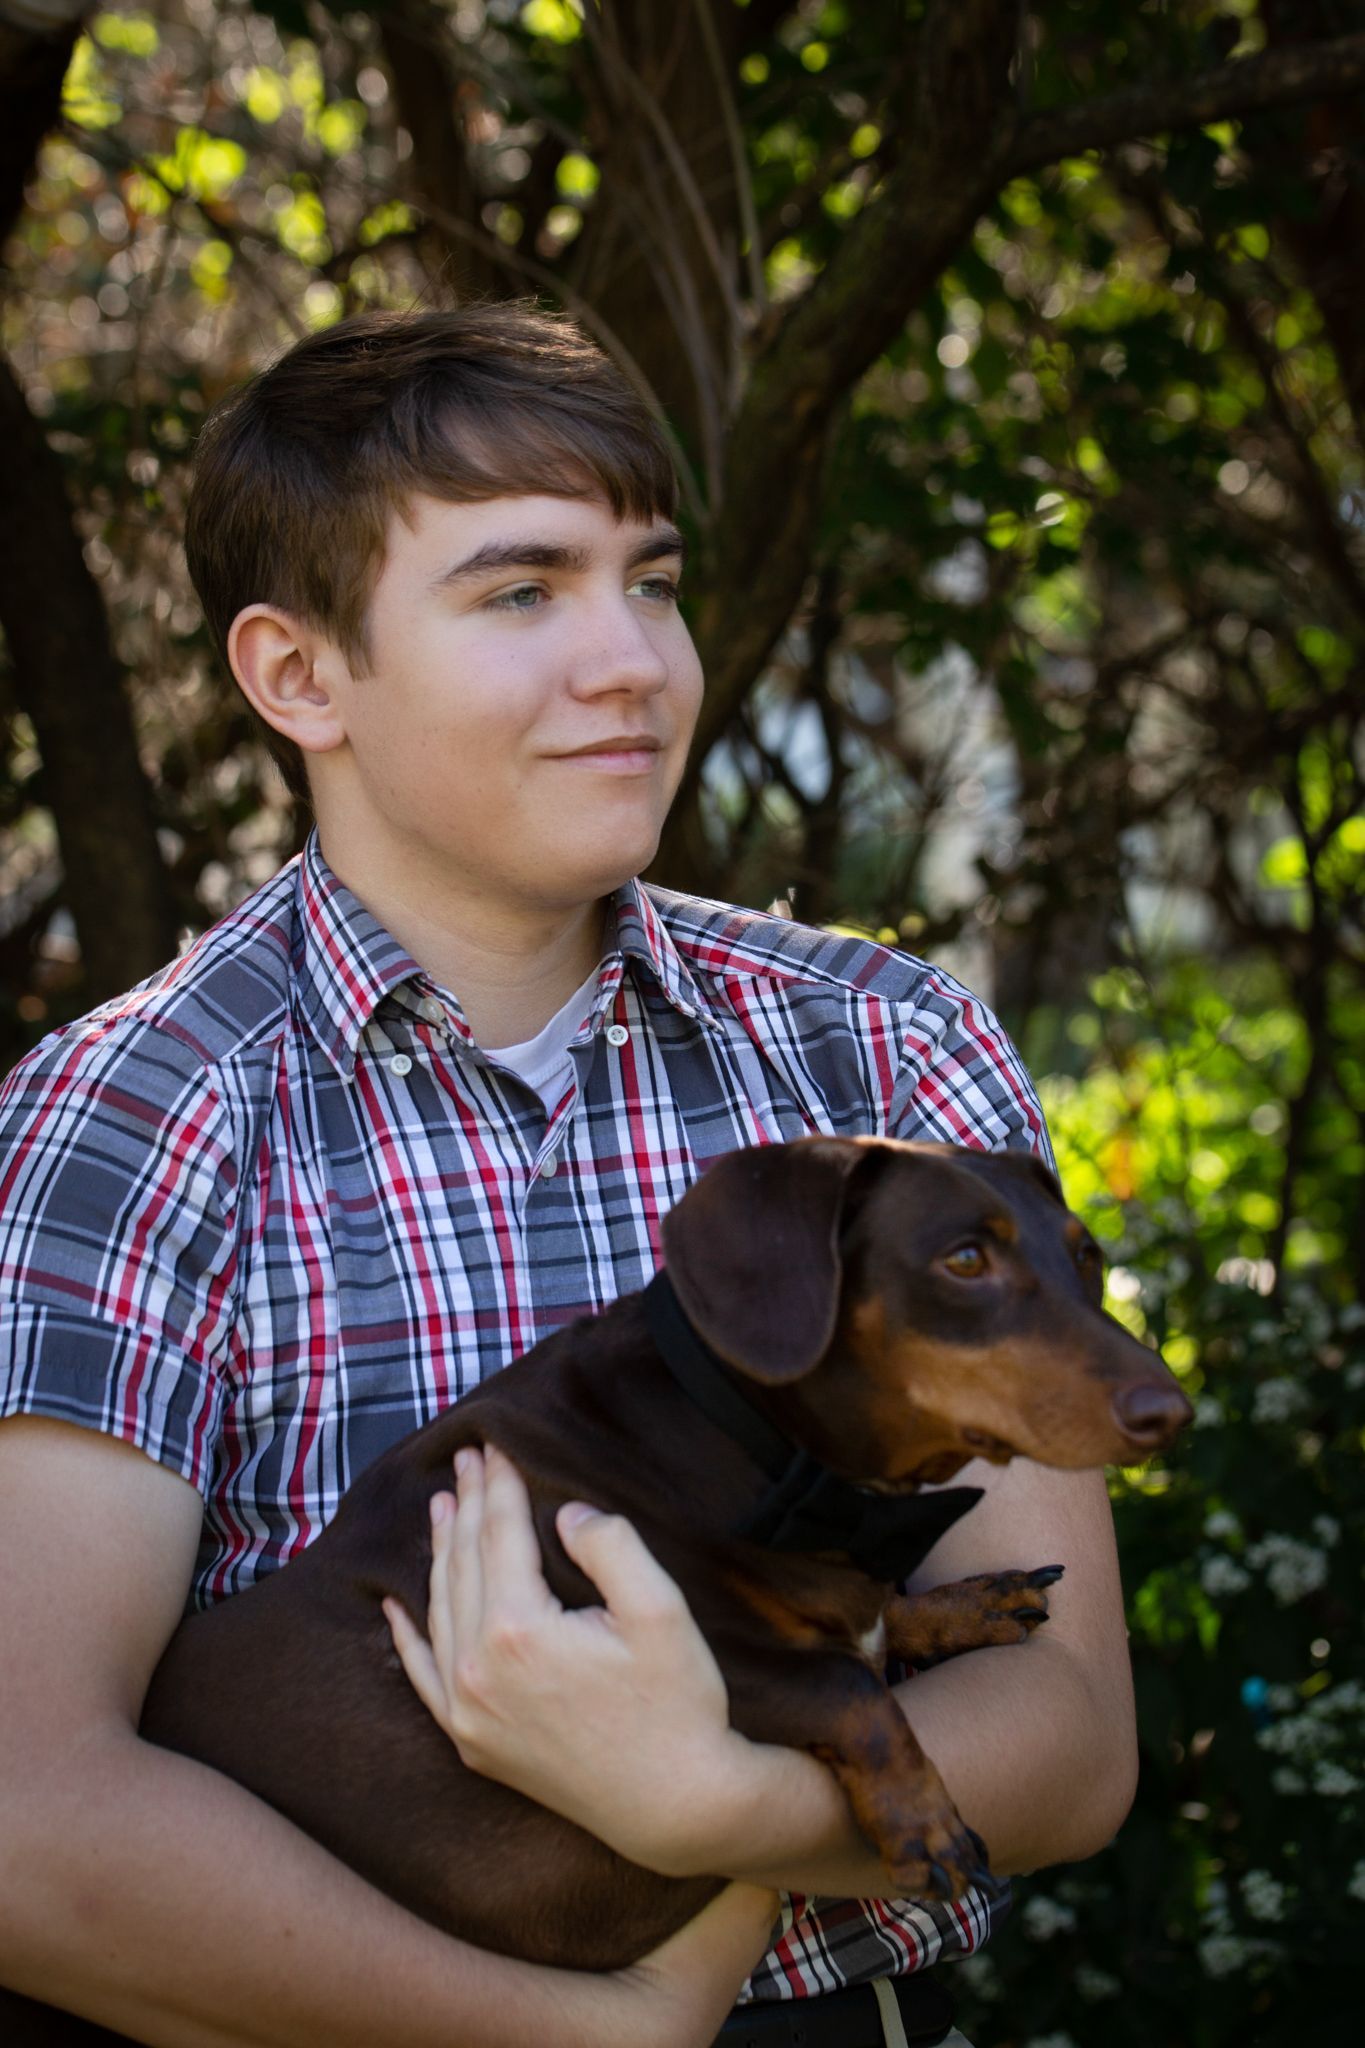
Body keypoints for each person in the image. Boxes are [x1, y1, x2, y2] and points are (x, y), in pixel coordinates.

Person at [0, 308, 1138, 2048]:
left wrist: (719, 1809)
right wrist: (574, 2036)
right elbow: (36, 1820)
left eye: (653, 581)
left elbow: (1065, 1739)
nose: (632, 660)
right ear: (300, 675)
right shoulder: (137, 1117)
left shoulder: (880, 1055)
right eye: (521, 592)